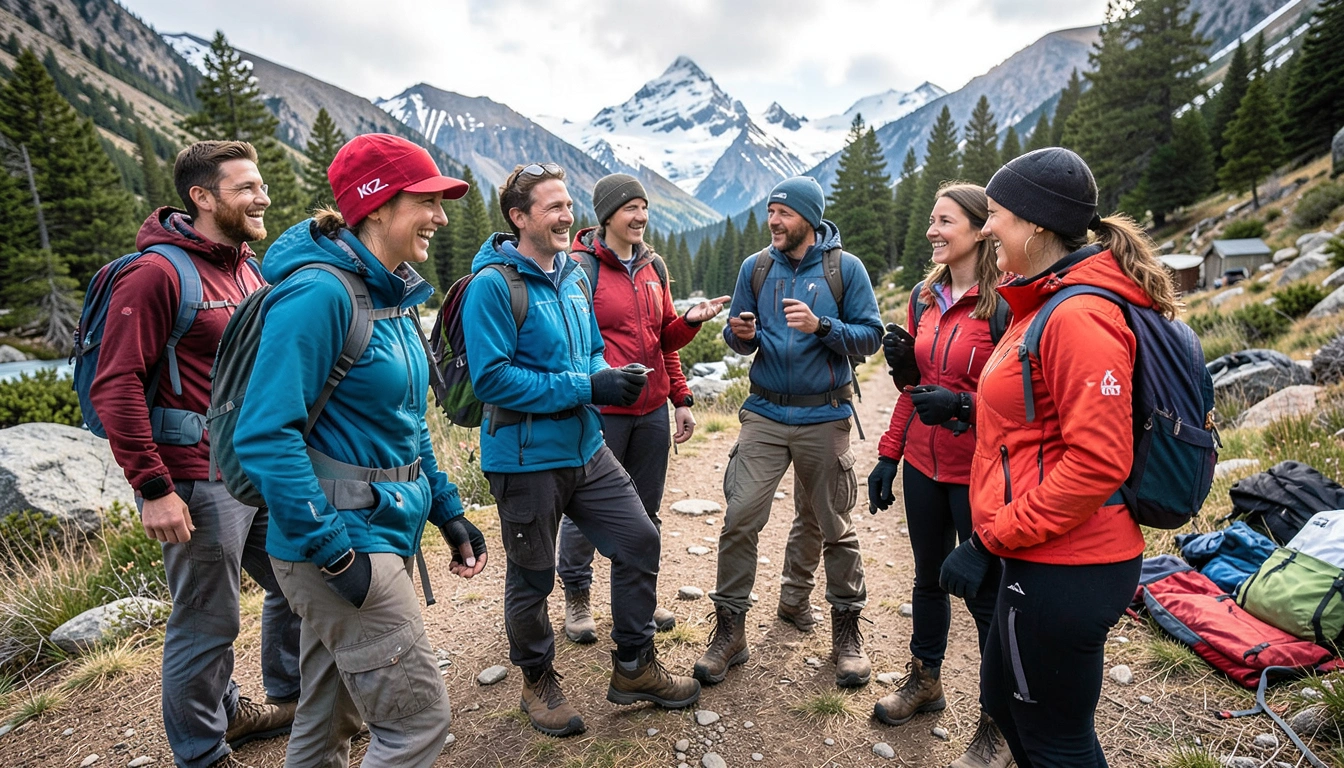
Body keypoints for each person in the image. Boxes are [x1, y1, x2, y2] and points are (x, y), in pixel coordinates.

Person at [232, 133, 488, 768]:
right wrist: (332, 548)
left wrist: (447, 508)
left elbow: (406, 422)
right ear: (376, 205)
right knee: (416, 724)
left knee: (330, 714)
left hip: (380, 527)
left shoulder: (392, 297)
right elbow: (265, 434)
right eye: (425, 200)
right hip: (340, 540)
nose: (441, 216)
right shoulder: (319, 294)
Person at [931, 147, 1173, 767]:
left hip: (1070, 561)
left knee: (1054, 740)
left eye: (997, 215)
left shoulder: (1080, 316)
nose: (987, 227)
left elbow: (1098, 462)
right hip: (1036, 549)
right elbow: (1036, 422)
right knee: (1008, 705)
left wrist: (987, 542)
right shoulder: (1039, 302)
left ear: (1036, 224)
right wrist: (964, 412)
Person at [462, 162, 701, 738]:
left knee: (639, 537)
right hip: (523, 458)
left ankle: (634, 667)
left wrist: (606, 374)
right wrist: (584, 386)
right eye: (553, 208)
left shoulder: (570, 275)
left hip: (585, 446)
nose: (568, 216)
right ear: (519, 218)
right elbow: (491, 379)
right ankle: (537, 680)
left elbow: (591, 347)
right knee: (532, 576)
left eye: (569, 205)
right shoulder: (493, 286)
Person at [90, 140, 301, 768]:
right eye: (246, 189)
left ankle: (285, 700)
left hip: (255, 467)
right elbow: (116, 383)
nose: (262, 197)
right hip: (194, 477)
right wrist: (154, 489)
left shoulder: (246, 267)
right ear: (203, 198)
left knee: (299, 578)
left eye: (261, 185)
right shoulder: (156, 274)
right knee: (207, 620)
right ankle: (203, 752)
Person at [695, 176, 882, 688]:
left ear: (809, 218)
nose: (774, 221)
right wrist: (740, 335)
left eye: (784, 212)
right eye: (770, 211)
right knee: (740, 515)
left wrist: (824, 327)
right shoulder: (755, 268)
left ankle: (843, 629)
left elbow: (870, 339)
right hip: (765, 413)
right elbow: (737, 338)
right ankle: (730, 632)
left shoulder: (845, 270)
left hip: (824, 414)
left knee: (829, 522)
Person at [868, 183, 1011, 767]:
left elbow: (1019, 405)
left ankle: (998, 722)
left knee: (983, 594)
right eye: (931, 220)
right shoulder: (925, 297)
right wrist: (888, 454)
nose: (932, 230)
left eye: (944, 221)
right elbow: (914, 389)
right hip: (925, 466)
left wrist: (960, 406)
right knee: (928, 578)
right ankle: (925, 681)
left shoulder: (1004, 307)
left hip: (978, 471)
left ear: (979, 230)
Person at [557, 173, 730, 644]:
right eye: (631, 208)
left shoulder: (655, 267)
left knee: (646, 514)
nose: (641, 217)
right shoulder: (578, 268)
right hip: (603, 410)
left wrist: (681, 395)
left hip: (651, 411)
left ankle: (638, 604)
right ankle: (576, 596)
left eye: (645, 207)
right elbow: (571, 344)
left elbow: (663, 340)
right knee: (586, 510)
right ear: (607, 215)